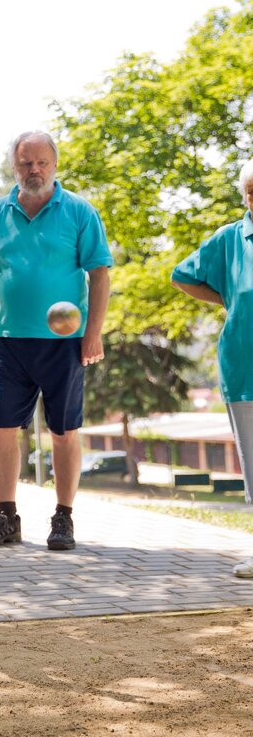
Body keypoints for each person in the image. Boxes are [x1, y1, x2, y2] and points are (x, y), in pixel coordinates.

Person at [0, 131, 112, 551]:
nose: (34, 170)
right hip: (10, 341)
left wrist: (93, 333)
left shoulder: (80, 212)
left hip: (64, 343)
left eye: (41, 162)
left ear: (54, 164)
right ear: (14, 167)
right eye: (25, 163)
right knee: (0, 428)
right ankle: (7, 515)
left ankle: (63, 517)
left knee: (64, 430)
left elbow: (100, 274)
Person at [172, 157, 253, 578]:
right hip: (244, 365)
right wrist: (228, 300)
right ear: (245, 195)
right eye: (252, 191)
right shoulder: (229, 239)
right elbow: (181, 275)